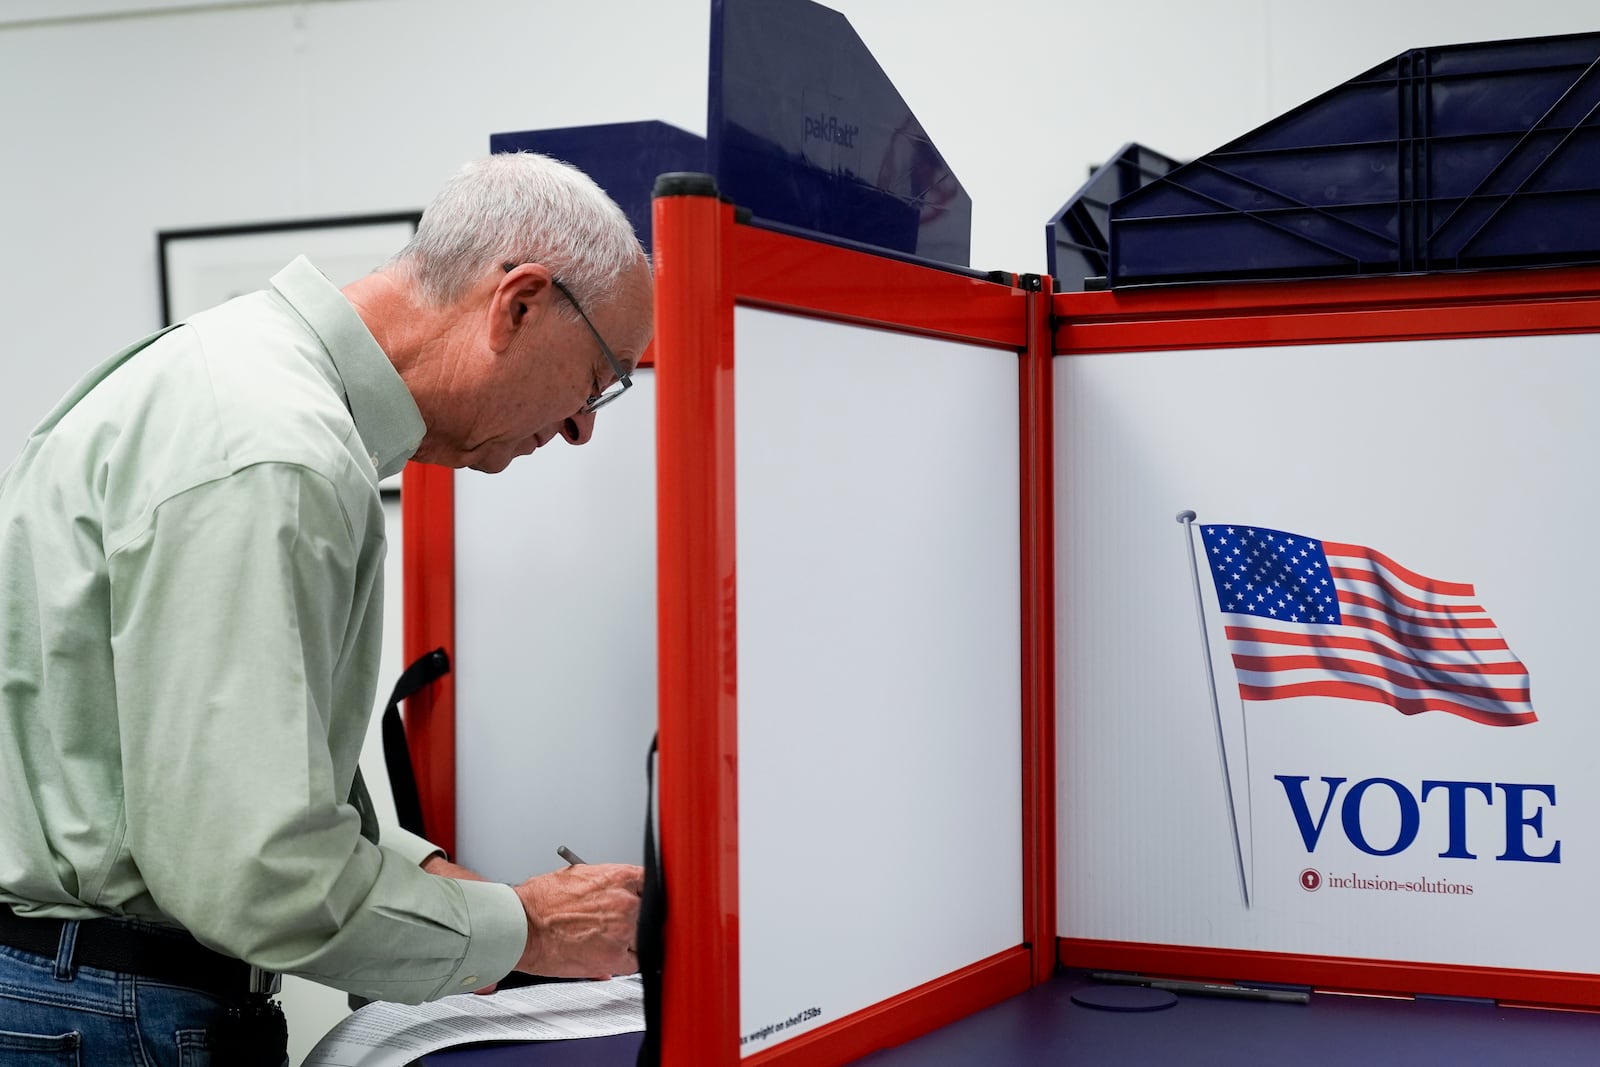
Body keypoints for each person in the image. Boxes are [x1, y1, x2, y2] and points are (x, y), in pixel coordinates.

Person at [0, 152, 651, 1065]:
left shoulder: (240, 379)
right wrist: (529, 927)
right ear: (521, 303)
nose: (583, 427)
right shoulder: (277, 452)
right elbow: (253, 873)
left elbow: (196, 782)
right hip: (112, 1013)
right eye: (599, 378)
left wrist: (429, 881)